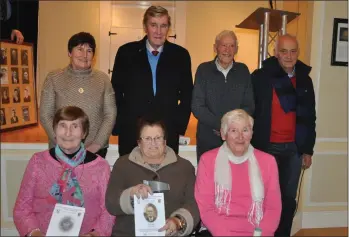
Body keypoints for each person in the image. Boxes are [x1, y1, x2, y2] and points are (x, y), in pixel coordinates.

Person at [251, 34, 316, 237]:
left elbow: (310, 117)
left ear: (298, 53)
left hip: (294, 150)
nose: (289, 56)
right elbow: (251, 111)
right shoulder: (260, 77)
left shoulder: (305, 80)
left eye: (293, 51)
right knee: (267, 198)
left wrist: (307, 149)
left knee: (288, 200)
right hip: (267, 147)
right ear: (275, 52)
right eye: (284, 51)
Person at [13, 106, 115, 236]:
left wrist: (93, 235)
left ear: (84, 133)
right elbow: (22, 208)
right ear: (54, 130)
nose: (68, 133)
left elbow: (108, 212)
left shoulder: (100, 167)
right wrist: (35, 233)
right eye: (62, 125)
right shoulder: (37, 162)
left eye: (75, 126)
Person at [111, 5, 193, 156]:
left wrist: (178, 126)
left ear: (168, 28)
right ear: (145, 27)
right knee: (132, 177)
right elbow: (115, 93)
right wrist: (120, 125)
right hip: (132, 132)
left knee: (165, 177)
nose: (158, 31)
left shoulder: (180, 56)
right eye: (153, 25)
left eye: (163, 25)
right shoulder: (126, 53)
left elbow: (188, 95)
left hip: (167, 133)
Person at [105, 117, 199, 236]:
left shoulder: (184, 167)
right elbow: (111, 203)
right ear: (139, 142)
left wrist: (177, 222)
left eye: (158, 138)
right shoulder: (122, 164)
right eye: (147, 138)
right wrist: (131, 194)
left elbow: (193, 204)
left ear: (165, 141)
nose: (153, 143)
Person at [195, 109, 281, 236]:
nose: (240, 136)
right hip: (219, 232)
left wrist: (260, 234)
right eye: (233, 130)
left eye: (245, 130)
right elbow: (206, 208)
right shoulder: (207, 161)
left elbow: (273, 208)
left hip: (257, 232)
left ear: (251, 134)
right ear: (223, 135)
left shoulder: (268, 161)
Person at [40, 32, 116, 158]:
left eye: (89, 50)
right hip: (61, 149)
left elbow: (110, 114)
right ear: (70, 53)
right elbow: (45, 115)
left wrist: (96, 145)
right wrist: (62, 143)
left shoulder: (103, 79)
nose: (84, 55)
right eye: (79, 49)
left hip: (95, 151)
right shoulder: (53, 78)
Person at [192, 30, 254, 161]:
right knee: (208, 179)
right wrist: (222, 126)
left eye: (232, 46)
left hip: (237, 140)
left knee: (236, 180)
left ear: (236, 49)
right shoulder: (203, 70)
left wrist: (232, 129)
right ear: (215, 48)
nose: (227, 50)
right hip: (208, 139)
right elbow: (197, 106)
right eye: (223, 45)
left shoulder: (243, 71)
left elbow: (249, 105)